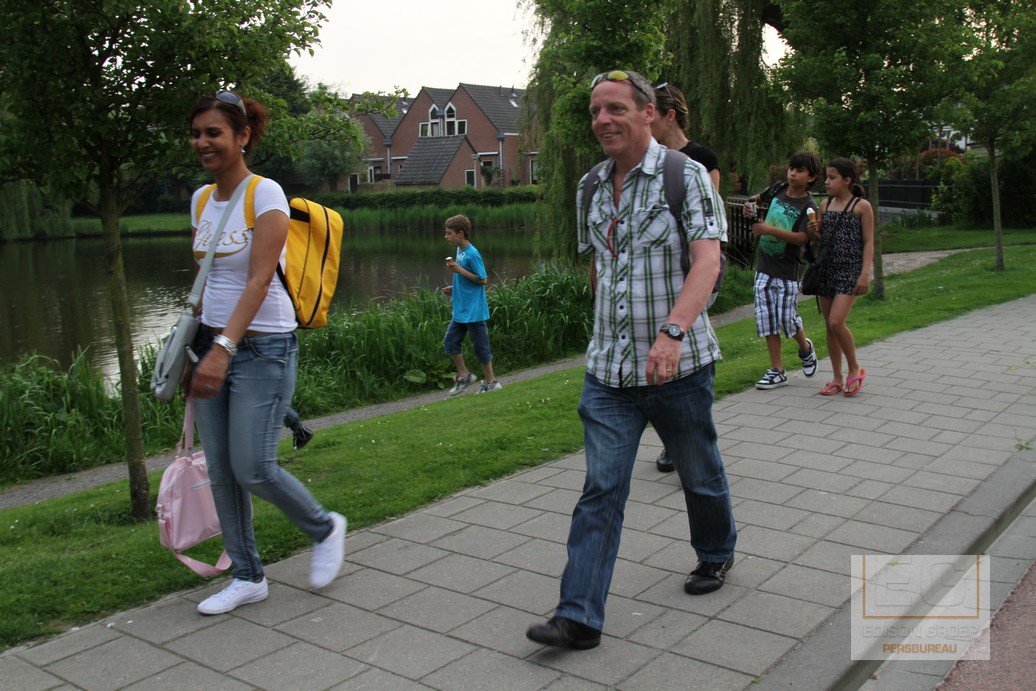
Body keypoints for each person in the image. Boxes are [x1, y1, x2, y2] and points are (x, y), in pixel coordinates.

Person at [526, 70, 737, 651]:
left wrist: (671, 333)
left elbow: (708, 262)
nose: (603, 120)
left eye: (615, 108)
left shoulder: (685, 175)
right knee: (601, 487)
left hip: (679, 367)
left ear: (649, 113)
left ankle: (716, 551)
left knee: (699, 473)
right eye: (596, 111)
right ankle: (577, 617)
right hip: (609, 373)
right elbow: (600, 263)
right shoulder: (590, 186)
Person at [186, 90, 345, 616]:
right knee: (221, 469)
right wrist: (195, 346)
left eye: (214, 132)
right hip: (210, 343)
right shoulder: (200, 200)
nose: (203, 142)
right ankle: (248, 576)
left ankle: (324, 528)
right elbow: (206, 280)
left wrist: (224, 348)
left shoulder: (265, 194)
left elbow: (257, 282)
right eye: (197, 133)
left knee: (253, 466)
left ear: (242, 136)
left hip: (264, 348)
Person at [650, 81, 722, 473]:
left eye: (652, 113)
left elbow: (709, 221)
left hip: (694, 271)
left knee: (687, 353)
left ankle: (690, 444)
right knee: (664, 352)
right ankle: (676, 441)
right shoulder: (649, 160)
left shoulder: (701, 159)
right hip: (660, 275)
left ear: (669, 115)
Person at [743, 151, 821, 391]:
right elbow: (755, 198)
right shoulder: (778, 188)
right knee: (767, 319)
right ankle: (777, 370)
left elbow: (802, 238)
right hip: (764, 267)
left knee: (786, 319)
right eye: (791, 169)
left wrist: (769, 230)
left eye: (799, 171)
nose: (793, 174)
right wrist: (749, 206)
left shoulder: (809, 206)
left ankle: (805, 348)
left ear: (811, 177)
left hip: (788, 271)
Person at [807, 157, 874, 397]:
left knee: (837, 322)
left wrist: (864, 274)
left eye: (832, 177)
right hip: (827, 270)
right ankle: (837, 376)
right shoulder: (825, 205)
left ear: (847, 180)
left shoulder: (861, 206)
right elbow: (822, 241)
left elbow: (868, 242)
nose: (826, 181)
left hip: (849, 271)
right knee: (829, 326)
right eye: (826, 177)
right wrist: (814, 233)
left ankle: (854, 368)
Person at [440, 214, 501, 395]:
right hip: (461, 308)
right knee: (450, 342)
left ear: (460, 233)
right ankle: (465, 376)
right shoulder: (460, 251)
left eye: (449, 233)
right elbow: (467, 278)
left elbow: (482, 279)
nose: (446, 236)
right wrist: (455, 287)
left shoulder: (472, 254)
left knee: (481, 347)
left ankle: (492, 383)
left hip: (474, 310)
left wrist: (458, 270)